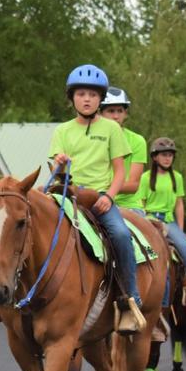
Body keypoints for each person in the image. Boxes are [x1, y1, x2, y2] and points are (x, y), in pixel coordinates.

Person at [49, 64, 145, 335]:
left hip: (99, 199)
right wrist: (60, 163)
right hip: (68, 194)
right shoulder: (62, 131)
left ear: (100, 99)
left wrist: (109, 196)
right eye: (81, 94)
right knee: (33, 225)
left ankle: (129, 299)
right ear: (72, 98)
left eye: (92, 94)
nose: (87, 99)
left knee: (121, 235)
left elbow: (119, 173)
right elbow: (56, 172)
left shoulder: (112, 130)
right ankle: (9, 297)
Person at [137, 138, 186, 307]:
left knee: (185, 246)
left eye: (170, 155)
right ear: (155, 157)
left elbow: (179, 204)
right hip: (150, 219)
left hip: (168, 220)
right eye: (164, 155)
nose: (167, 158)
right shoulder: (145, 177)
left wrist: (179, 228)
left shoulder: (177, 177)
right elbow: (140, 202)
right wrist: (145, 220)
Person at [99, 87, 147, 212]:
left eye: (120, 111)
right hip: (93, 200)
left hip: (129, 206)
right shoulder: (90, 138)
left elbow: (133, 185)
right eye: (111, 111)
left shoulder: (137, 141)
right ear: (100, 113)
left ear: (125, 113)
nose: (116, 116)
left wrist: (99, 187)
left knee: (123, 233)